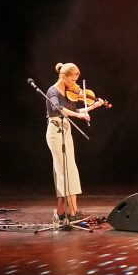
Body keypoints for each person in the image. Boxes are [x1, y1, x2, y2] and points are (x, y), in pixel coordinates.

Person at [46, 62, 107, 221]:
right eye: (72, 80)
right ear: (63, 76)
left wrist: (93, 106)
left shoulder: (68, 91)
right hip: (55, 132)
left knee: (70, 171)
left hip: (66, 131)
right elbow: (57, 108)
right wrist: (79, 116)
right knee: (63, 172)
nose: (75, 85)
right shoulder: (53, 91)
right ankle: (71, 212)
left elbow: (74, 111)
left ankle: (64, 212)